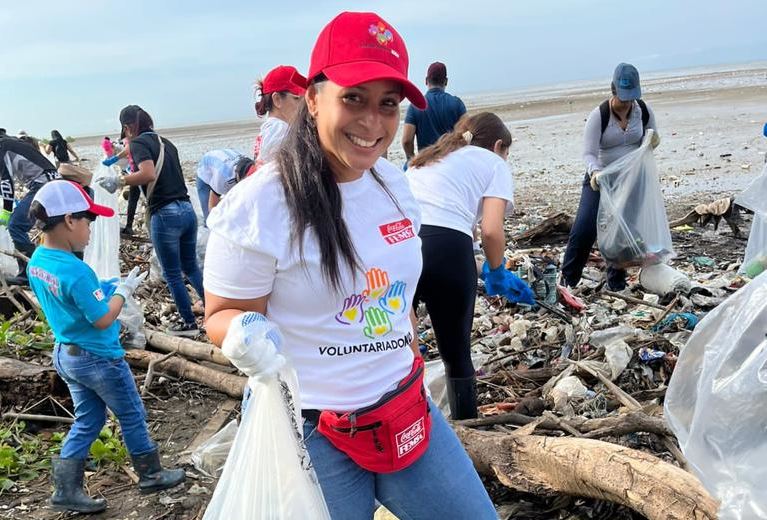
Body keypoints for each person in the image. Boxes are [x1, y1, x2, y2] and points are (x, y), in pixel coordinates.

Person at [203, 11, 497, 519]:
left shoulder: (395, 185)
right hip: (312, 430)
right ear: (313, 98)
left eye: (389, 104)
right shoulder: (259, 206)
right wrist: (244, 333)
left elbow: (397, 293)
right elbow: (221, 312)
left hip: (404, 406)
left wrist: (402, 345)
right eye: (353, 98)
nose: (373, 122)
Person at [26, 180, 185, 514]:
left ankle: (65, 489)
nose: (90, 229)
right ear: (70, 220)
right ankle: (152, 474)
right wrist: (123, 291)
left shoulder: (37, 261)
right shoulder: (77, 269)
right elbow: (102, 319)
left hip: (66, 353)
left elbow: (68, 299)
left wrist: (104, 286)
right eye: (89, 221)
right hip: (98, 357)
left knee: (88, 419)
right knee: (131, 413)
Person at [408, 112, 515, 419]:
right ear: (498, 146)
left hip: (399, 246)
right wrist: (498, 271)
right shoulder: (494, 163)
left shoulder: (428, 158)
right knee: (456, 355)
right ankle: (467, 429)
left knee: (401, 345)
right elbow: (492, 230)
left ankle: (411, 421)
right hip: (447, 250)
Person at [98, 105, 204, 336]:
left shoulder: (137, 143)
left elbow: (148, 173)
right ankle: (216, 311)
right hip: (187, 211)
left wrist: (119, 181)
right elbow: (130, 152)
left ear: (128, 127)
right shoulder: (165, 142)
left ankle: (189, 324)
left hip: (165, 214)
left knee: (173, 273)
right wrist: (113, 159)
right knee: (191, 267)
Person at [561, 63, 658, 291]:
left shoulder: (642, 110)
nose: (627, 103)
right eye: (623, 97)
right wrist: (595, 172)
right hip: (601, 180)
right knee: (584, 228)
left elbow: (651, 136)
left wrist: (652, 142)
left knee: (622, 231)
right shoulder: (600, 115)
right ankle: (567, 280)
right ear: (613, 89)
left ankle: (616, 283)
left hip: (632, 179)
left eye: (631, 97)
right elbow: (588, 153)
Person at [0, 135, 61, 284]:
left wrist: (7, 211)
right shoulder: (10, 141)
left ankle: (28, 274)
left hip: (44, 185)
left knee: (16, 225)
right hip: (54, 182)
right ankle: (47, 270)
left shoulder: (2, 146)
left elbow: (6, 181)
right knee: (50, 228)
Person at [401, 61, 467, 164]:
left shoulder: (415, 106)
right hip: (452, 163)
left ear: (426, 81)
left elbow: (406, 141)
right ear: (445, 81)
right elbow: (467, 134)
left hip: (426, 164)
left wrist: (412, 159)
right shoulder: (457, 104)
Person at [253, 65, 307, 166]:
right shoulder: (280, 129)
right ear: (277, 99)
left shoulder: (269, 129)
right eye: (297, 99)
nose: (303, 105)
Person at [195, 149, 253, 222]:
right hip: (205, 171)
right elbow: (212, 206)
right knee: (209, 218)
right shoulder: (223, 179)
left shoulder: (256, 171)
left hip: (225, 158)